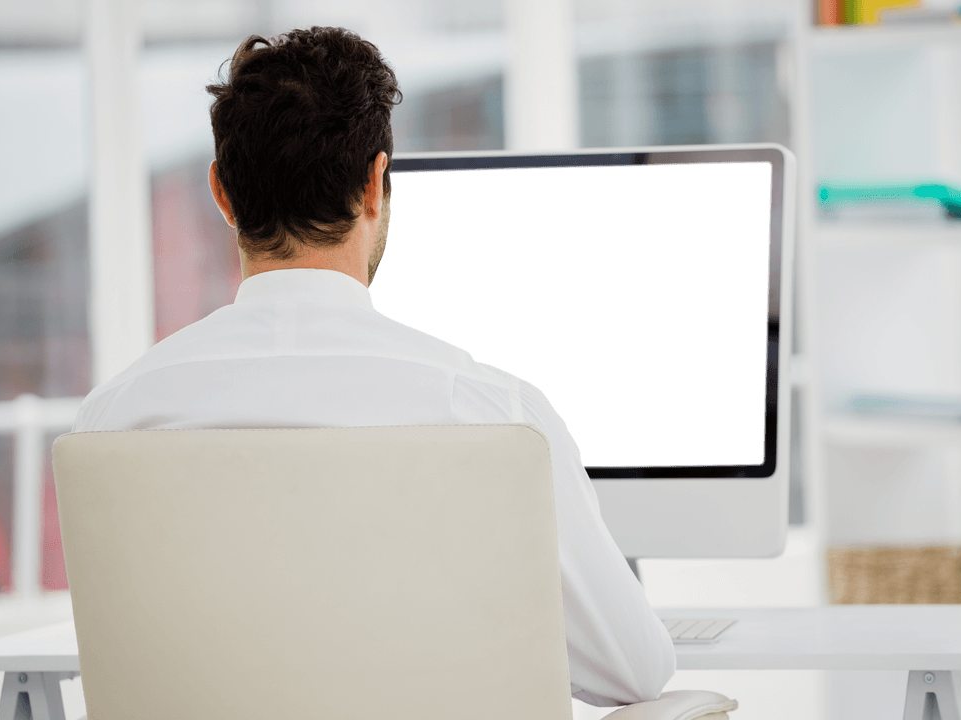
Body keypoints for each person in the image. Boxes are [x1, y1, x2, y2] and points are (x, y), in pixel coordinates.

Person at [72, 26, 675, 707]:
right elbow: (634, 671)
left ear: (222, 192)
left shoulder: (112, 420)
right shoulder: (493, 416)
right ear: (375, 183)